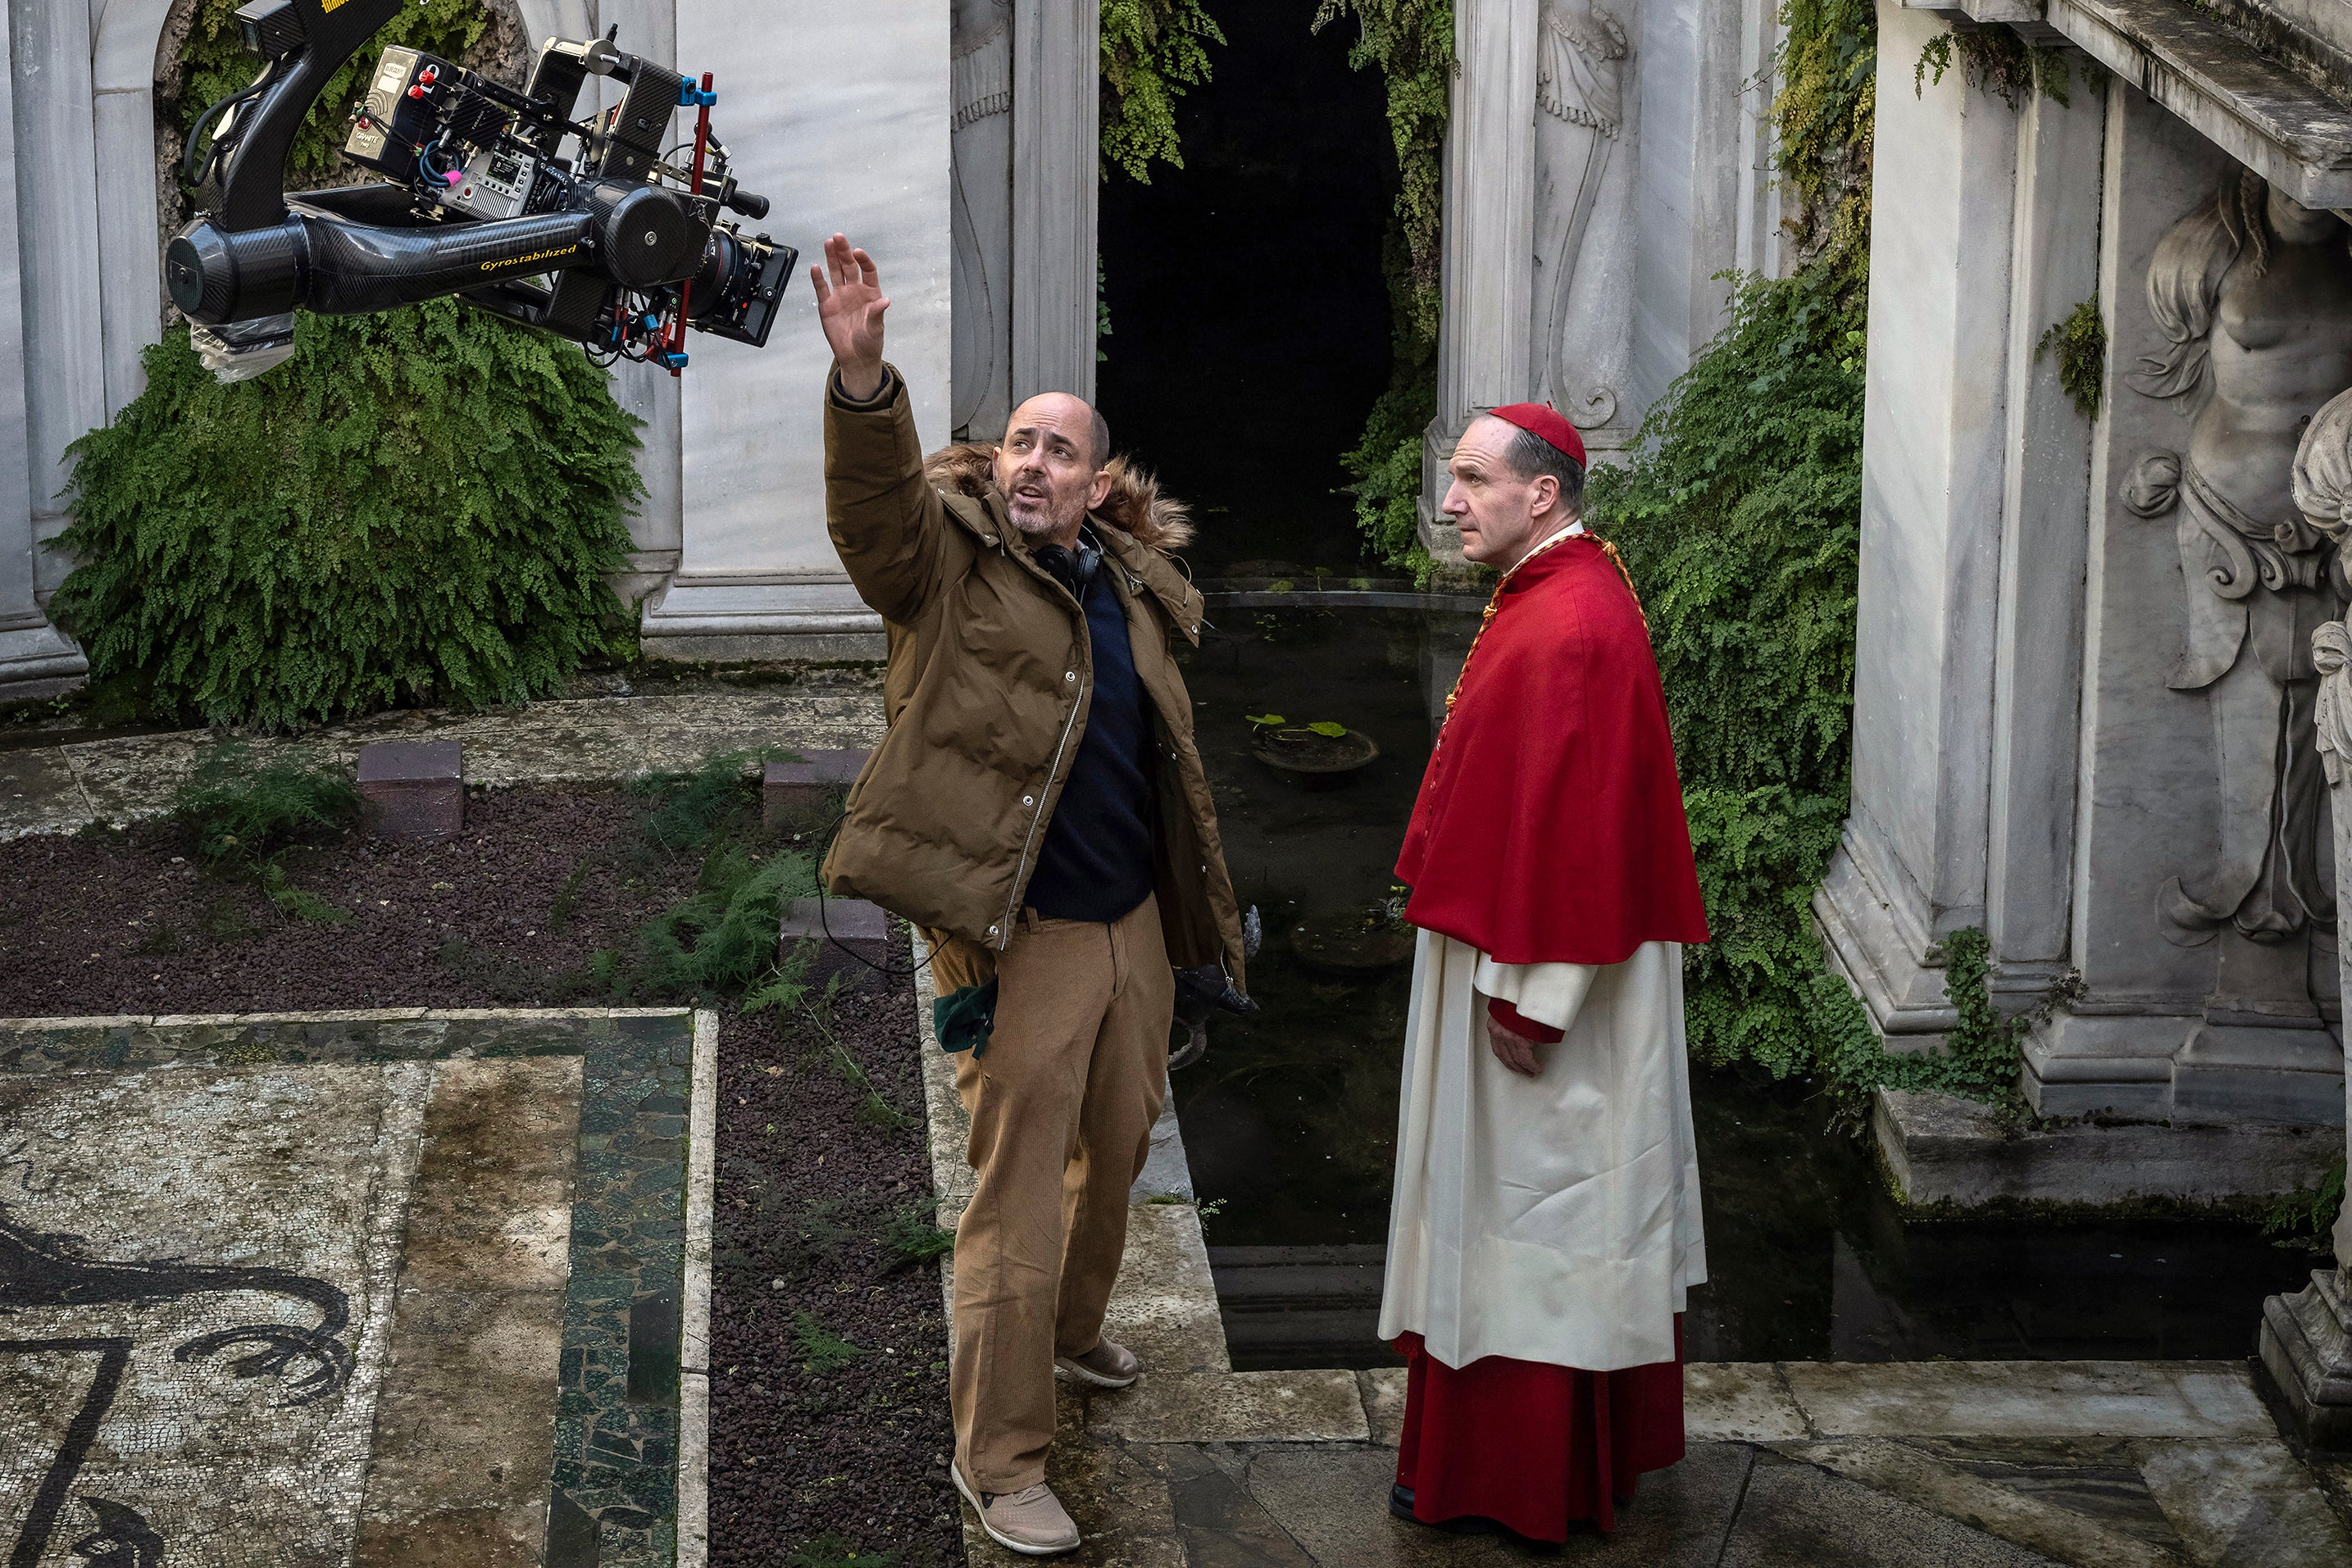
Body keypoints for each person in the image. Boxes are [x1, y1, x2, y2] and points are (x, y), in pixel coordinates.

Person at [808, 234, 1249, 1557]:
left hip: (1130, 928)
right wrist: (863, 382)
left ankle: (1066, 1332)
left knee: (1113, 1152)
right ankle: (999, 1458)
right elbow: (873, 525)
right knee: (1013, 1189)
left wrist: (1189, 927)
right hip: (1028, 929)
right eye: (1017, 445)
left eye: (1059, 450)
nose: (1032, 465)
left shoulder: (1129, 583)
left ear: (1098, 479)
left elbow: (1169, 761)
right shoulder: (946, 559)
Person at [1377, 402, 1710, 1540]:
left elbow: (1578, 830)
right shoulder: (1561, 590)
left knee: (1534, 1218)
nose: (1450, 500)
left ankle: (1518, 1478)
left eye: (1471, 479)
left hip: (1538, 986)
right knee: (1524, 1216)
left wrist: (1536, 994)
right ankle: (1493, 1465)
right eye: (1452, 478)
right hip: (1519, 958)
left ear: (1543, 492)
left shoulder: (1569, 622)